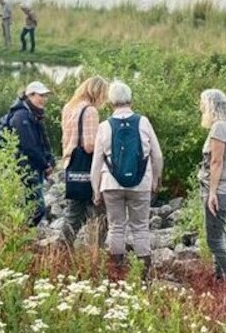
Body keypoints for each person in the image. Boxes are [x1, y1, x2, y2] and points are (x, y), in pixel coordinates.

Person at [91, 81, 163, 279]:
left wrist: (96, 189)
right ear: (130, 99)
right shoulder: (143, 122)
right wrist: (155, 180)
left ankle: (116, 271)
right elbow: (157, 156)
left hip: (111, 184)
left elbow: (97, 162)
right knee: (140, 228)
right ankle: (144, 274)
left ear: (110, 101)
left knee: (116, 227)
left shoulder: (104, 126)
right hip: (141, 183)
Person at [59, 76, 109, 248]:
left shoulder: (68, 107)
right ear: (97, 92)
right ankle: (96, 251)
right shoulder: (90, 111)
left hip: (72, 164)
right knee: (99, 212)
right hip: (88, 167)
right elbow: (89, 146)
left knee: (74, 212)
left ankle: (62, 248)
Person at [198, 89, 226, 281]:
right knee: (218, 235)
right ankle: (219, 279)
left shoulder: (219, 128)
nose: (200, 107)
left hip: (219, 190)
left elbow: (217, 162)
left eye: (202, 103)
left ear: (210, 105)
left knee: (214, 240)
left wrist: (212, 193)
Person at [7, 81, 55, 226]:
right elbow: (29, 146)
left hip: (34, 167)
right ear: (30, 95)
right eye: (41, 95)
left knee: (32, 206)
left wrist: (50, 160)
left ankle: (23, 233)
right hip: (25, 168)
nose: (44, 99)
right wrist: (45, 165)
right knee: (37, 208)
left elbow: (43, 141)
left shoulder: (34, 115)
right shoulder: (21, 116)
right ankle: (22, 232)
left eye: (45, 96)